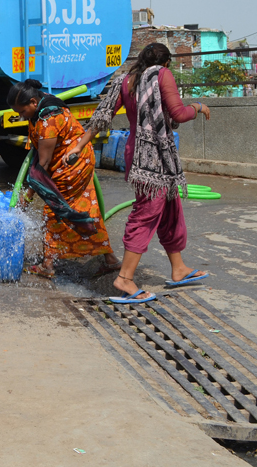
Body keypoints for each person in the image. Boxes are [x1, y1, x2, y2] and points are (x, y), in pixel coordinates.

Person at [71, 42, 211, 303]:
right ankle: (124, 278)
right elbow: (178, 114)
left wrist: (80, 144)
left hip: (138, 154)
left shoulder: (126, 79)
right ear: (165, 62)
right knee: (145, 214)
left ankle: (179, 269)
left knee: (170, 209)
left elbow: (103, 115)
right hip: (153, 160)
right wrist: (198, 107)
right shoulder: (161, 74)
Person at [11, 79, 120, 278]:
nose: (20, 116)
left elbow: (42, 163)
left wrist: (27, 196)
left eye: (22, 111)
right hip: (77, 159)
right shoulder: (43, 106)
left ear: (34, 102)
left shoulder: (48, 120)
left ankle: (48, 265)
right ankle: (110, 259)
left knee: (55, 210)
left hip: (72, 164)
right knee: (84, 211)